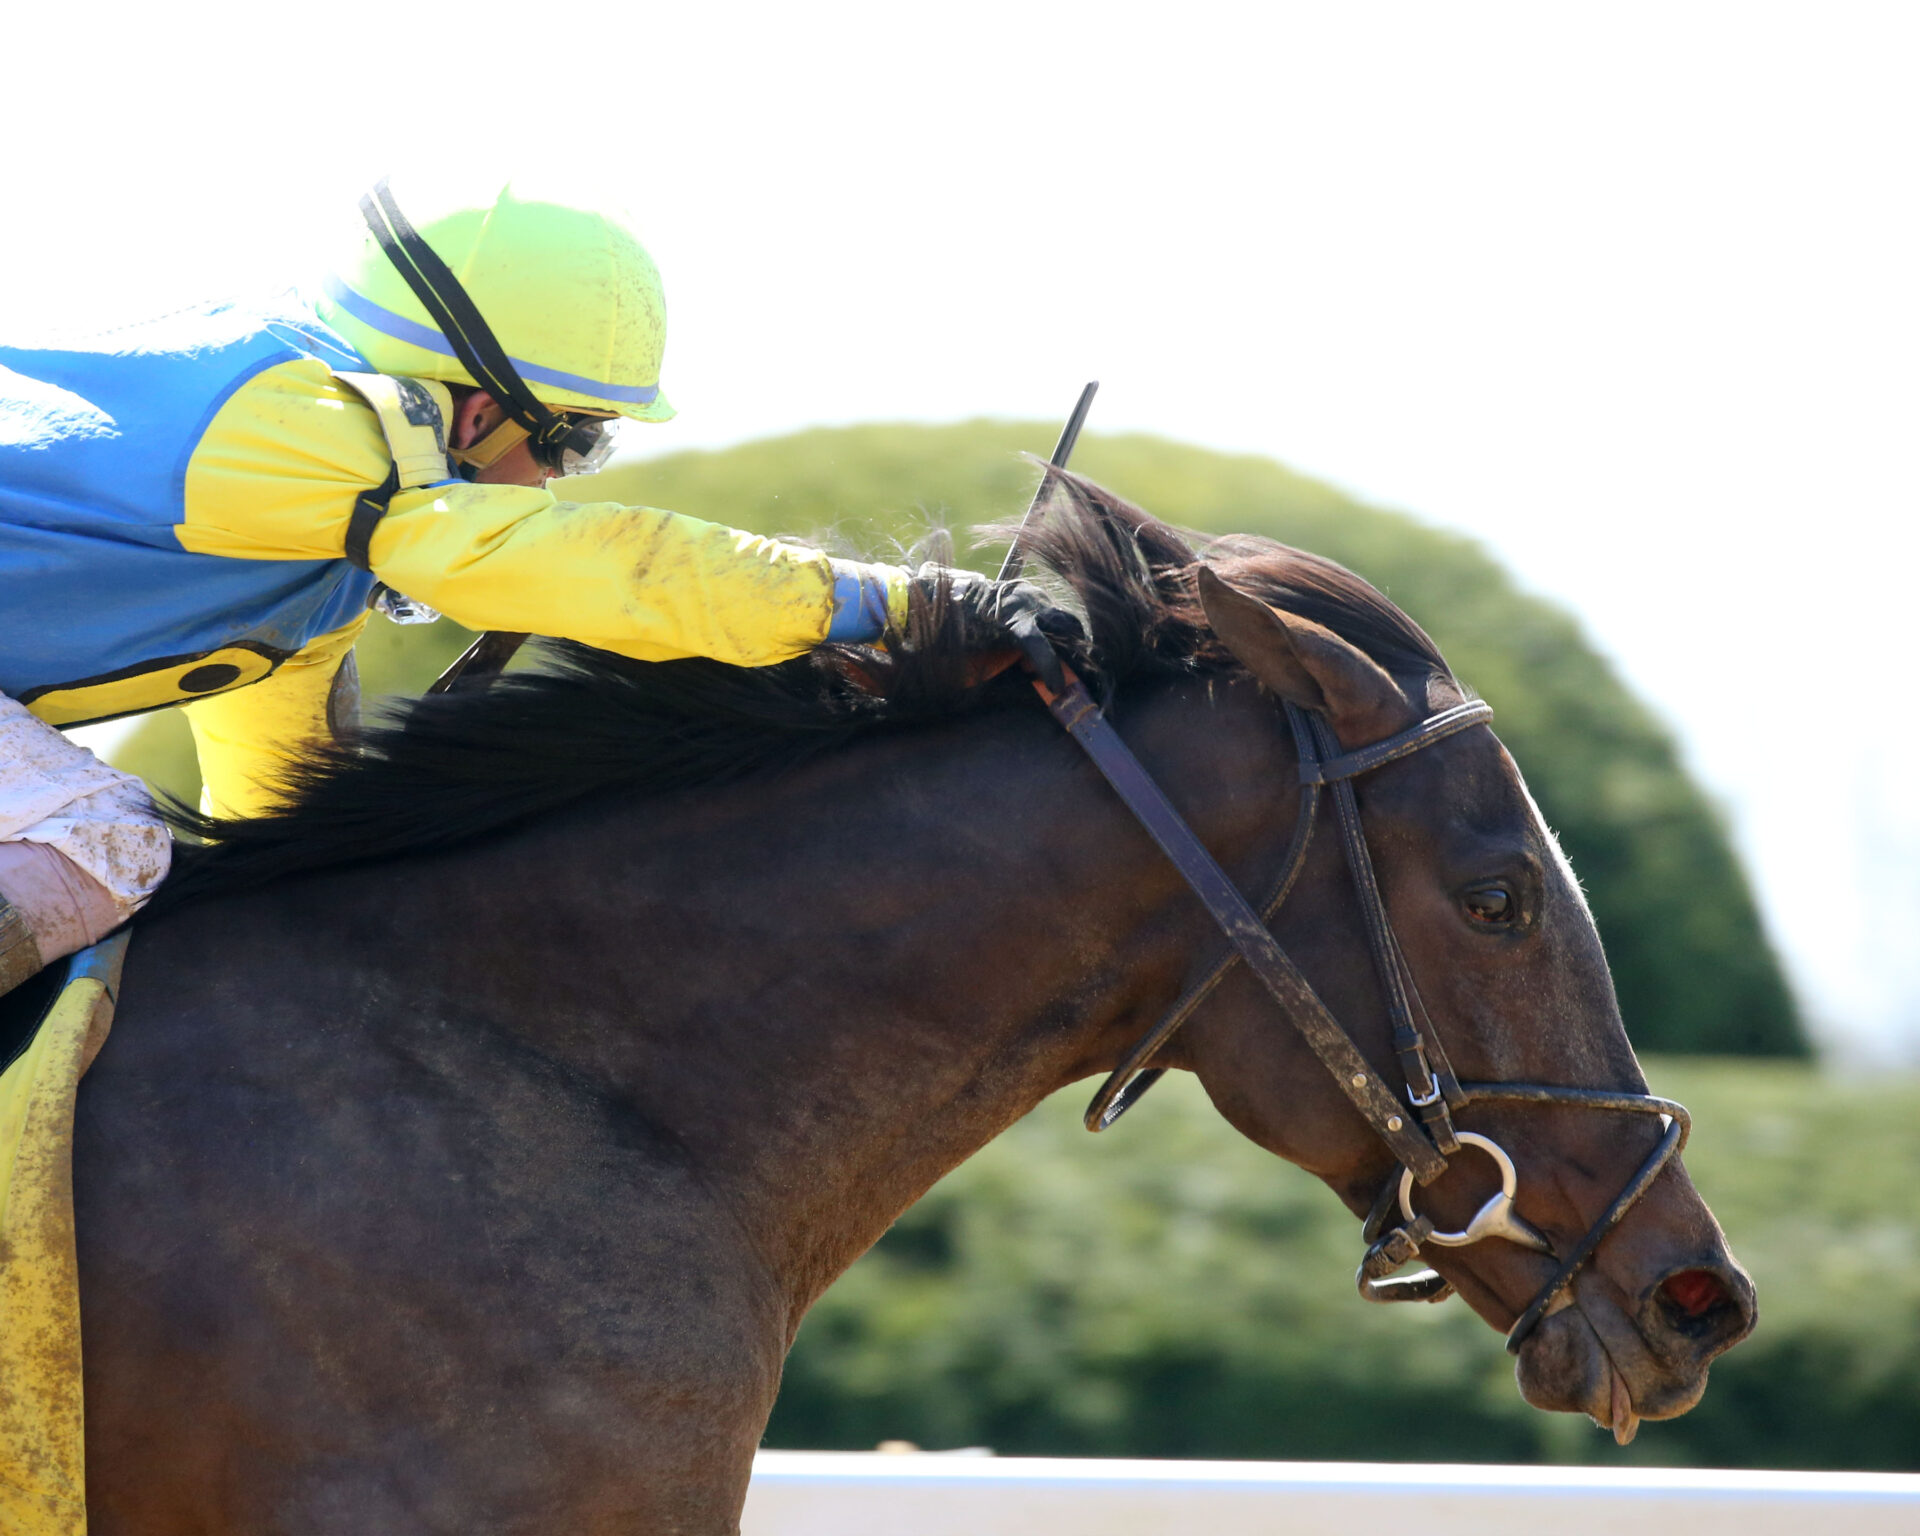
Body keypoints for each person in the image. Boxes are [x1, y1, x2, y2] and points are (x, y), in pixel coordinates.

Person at [0, 174, 1071, 1000]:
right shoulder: (314, 426)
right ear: (477, 412)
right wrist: (895, 604)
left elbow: (275, 784)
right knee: (104, 837)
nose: (557, 481)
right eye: (575, 442)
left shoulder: (314, 544)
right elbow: (595, 572)